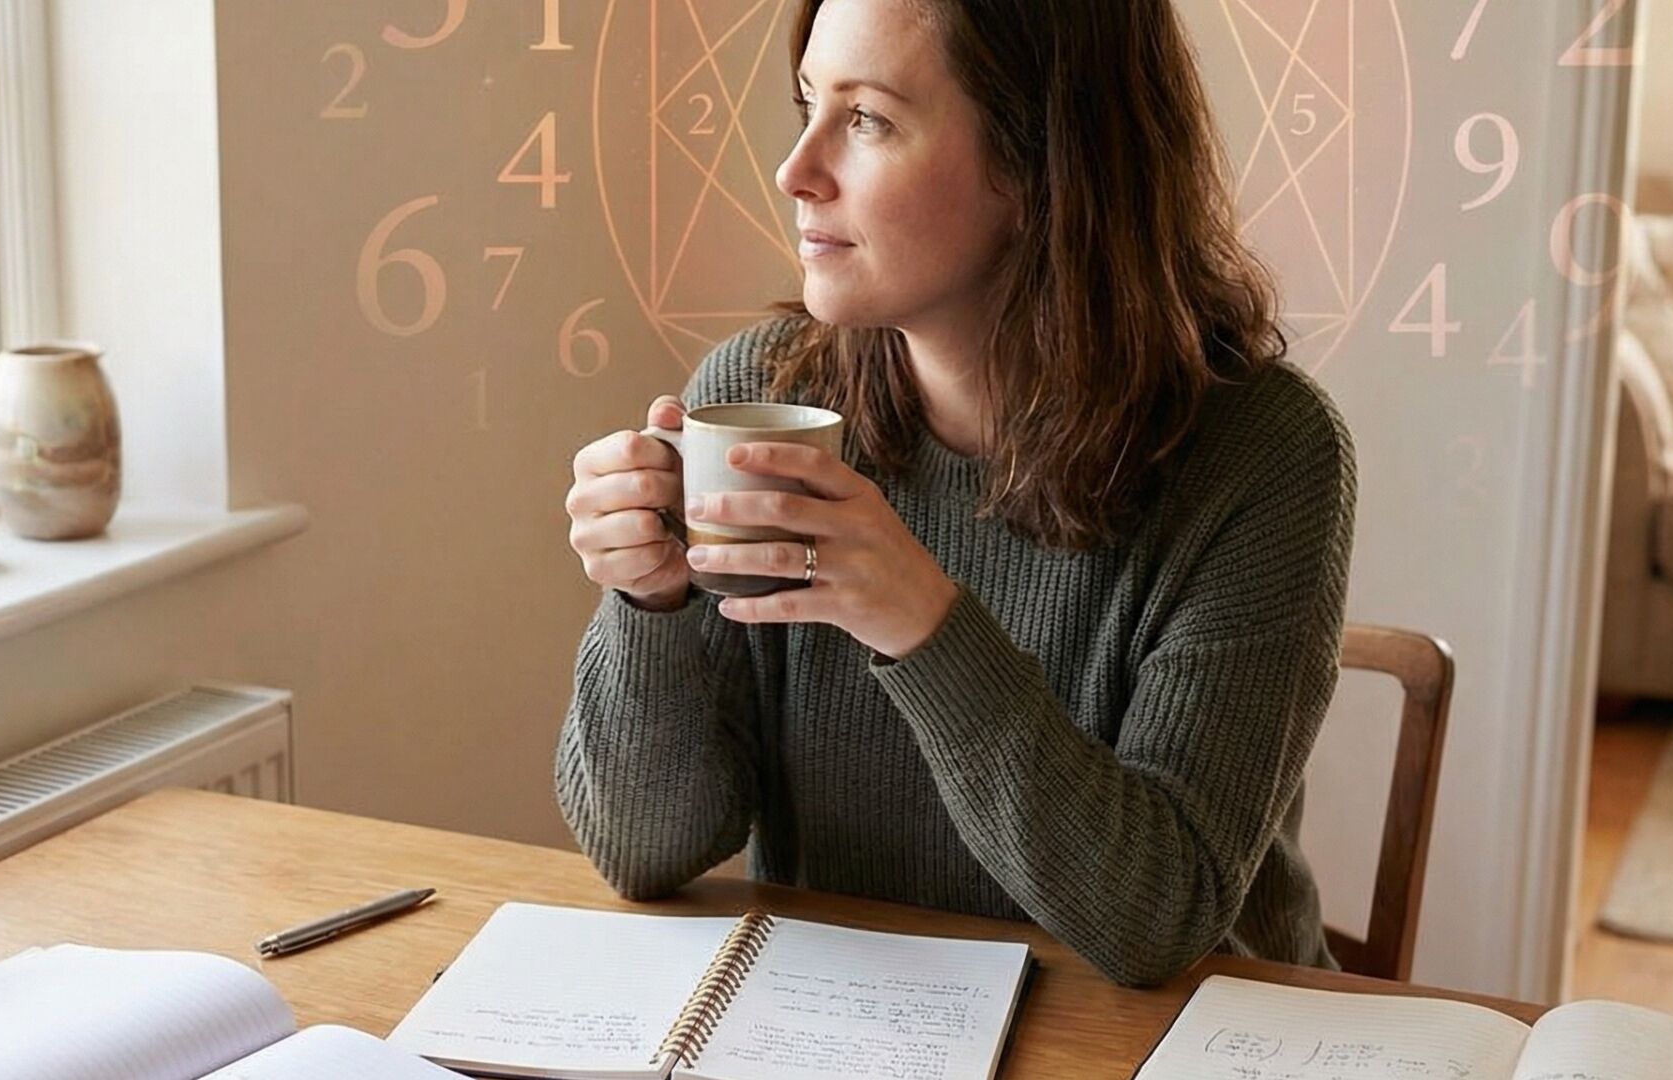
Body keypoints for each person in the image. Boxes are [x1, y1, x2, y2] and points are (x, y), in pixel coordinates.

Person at [556, 0, 1355, 988]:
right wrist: (650, 601)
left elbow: (1157, 922)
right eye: (809, 102)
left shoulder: (1262, 457)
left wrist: (923, 624)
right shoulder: (756, 404)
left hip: (1173, 1039)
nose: (794, 170)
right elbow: (643, 851)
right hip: (855, 1026)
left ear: (1038, 168)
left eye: (867, 120)